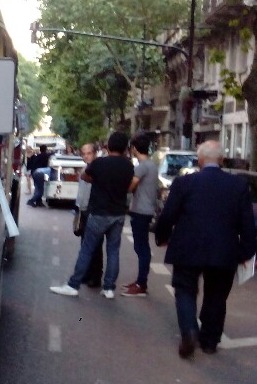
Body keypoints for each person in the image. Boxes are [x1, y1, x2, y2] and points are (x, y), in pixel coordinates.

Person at [154, 140, 256, 358]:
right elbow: (247, 222)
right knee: (217, 295)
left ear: (199, 160)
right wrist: (247, 252)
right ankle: (209, 341)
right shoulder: (238, 185)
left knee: (185, 290)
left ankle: (190, 330)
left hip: (188, 247)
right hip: (224, 249)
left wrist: (162, 237)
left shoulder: (184, 183)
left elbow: (168, 215)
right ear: (221, 160)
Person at [50, 131, 134, 299]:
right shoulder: (128, 165)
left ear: (108, 146)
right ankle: (109, 287)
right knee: (113, 251)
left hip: (99, 212)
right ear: (125, 148)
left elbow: (84, 176)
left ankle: (73, 285)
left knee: (87, 249)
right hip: (118, 213)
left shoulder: (100, 164)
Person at [121, 133, 158, 297]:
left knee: (141, 248)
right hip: (146, 209)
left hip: (141, 210)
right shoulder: (151, 164)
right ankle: (139, 281)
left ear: (134, 148)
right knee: (142, 247)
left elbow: (131, 185)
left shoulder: (142, 166)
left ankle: (141, 283)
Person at [75, 142, 103, 287]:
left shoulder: (98, 169)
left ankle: (95, 276)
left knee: (95, 245)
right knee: (85, 243)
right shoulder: (85, 169)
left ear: (95, 153)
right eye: (83, 153)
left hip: (94, 211)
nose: (86, 156)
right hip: (84, 210)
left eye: (89, 153)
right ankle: (86, 273)